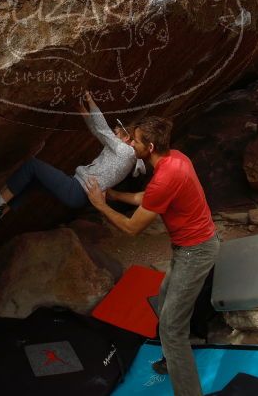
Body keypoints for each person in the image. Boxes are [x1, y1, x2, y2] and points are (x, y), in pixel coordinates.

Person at [84, 116, 219, 396]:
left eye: (135, 140)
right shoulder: (175, 159)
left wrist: (100, 205)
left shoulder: (166, 177)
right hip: (190, 247)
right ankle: (173, 358)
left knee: (171, 328)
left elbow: (131, 228)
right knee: (163, 300)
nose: (130, 143)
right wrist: (116, 196)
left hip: (196, 252)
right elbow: (149, 197)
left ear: (151, 146)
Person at [0, 92, 141, 225]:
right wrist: (82, 109)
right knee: (33, 181)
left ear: (126, 138)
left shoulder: (125, 152)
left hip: (76, 189)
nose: (114, 133)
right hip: (78, 192)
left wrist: (91, 100)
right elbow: (97, 131)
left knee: (32, 166)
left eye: (117, 132)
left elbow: (103, 128)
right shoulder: (121, 154)